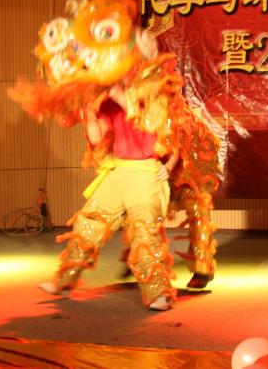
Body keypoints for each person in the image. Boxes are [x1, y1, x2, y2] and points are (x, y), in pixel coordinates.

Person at [39, 83, 178, 311]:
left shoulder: (150, 93)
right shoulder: (108, 103)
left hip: (144, 172)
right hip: (118, 170)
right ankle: (65, 282)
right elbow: (96, 139)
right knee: (88, 223)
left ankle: (159, 293)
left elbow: (161, 129)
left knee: (144, 232)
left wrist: (169, 166)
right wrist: (88, 112)